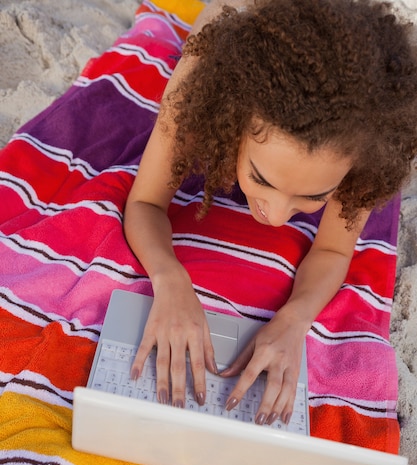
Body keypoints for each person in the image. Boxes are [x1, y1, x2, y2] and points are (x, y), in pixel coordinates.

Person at [124, 0, 417, 426]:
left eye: (313, 196)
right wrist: (169, 280)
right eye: (261, 179)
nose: (277, 218)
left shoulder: (363, 133)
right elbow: (146, 202)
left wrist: (295, 319)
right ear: (233, 122)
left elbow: (334, 251)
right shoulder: (205, 82)